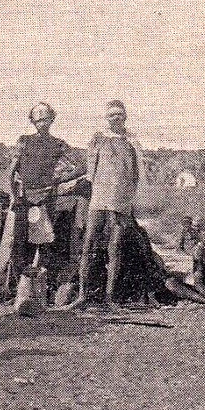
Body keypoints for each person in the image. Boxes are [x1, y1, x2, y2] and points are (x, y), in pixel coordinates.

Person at [66, 100, 144, 310]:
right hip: (99, 200)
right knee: (88, 245)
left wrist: (129, 202)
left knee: (115, 248)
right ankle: (82, 296)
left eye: (119, 114)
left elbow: (136, 176)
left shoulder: (132, 142)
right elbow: (91, 173)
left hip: (121, 202)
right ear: (106, 118)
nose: (115, 118)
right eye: (111, 115)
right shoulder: (98, 139)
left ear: (125, 117)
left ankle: (110, 298)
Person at [8, 103, 82, 286]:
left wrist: (59, 179)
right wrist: (15, 196)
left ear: (52, 119)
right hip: (25, 198)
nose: (42, 122)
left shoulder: (58, 144)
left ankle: (44, 288)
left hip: (48, 197)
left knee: (47, 242)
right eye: (38, 119)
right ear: (32, 121)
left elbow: (81, 166)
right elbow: (11, 171)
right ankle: (20, 288)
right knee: (21, 243)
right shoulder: (24, 141)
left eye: (46, 118)